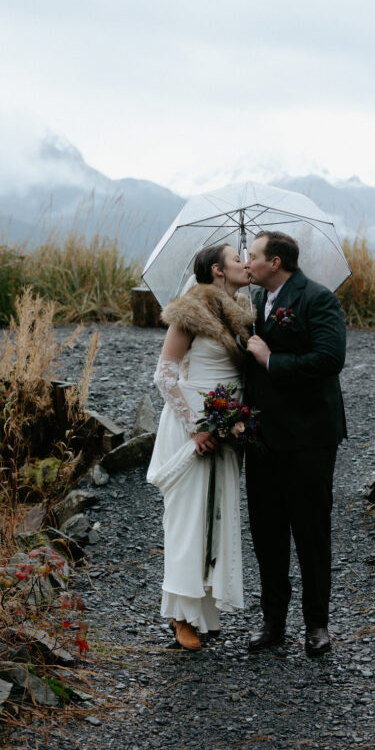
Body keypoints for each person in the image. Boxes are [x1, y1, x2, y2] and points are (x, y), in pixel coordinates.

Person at [244, 230, 346, 657]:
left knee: (310, 533)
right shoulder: (253, 304)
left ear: (276, 262)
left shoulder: (318, 299)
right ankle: (273, 623)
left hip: (308, 438)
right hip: (262, 439)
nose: (247, 263)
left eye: (253, 256)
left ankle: (317, 625)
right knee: (267, 534)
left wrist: (271, 360)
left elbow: (329, 358)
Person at [147, 244, 252, 651]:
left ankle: (205, 612)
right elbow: (165, 374)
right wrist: (195, 427)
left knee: (218, 513)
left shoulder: (243, 312)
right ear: (217, 270)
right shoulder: (189, 310)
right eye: (237, 258)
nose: (245, 263)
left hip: (227, 424)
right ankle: (179, 616)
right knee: (188, 518)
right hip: (193, 421)